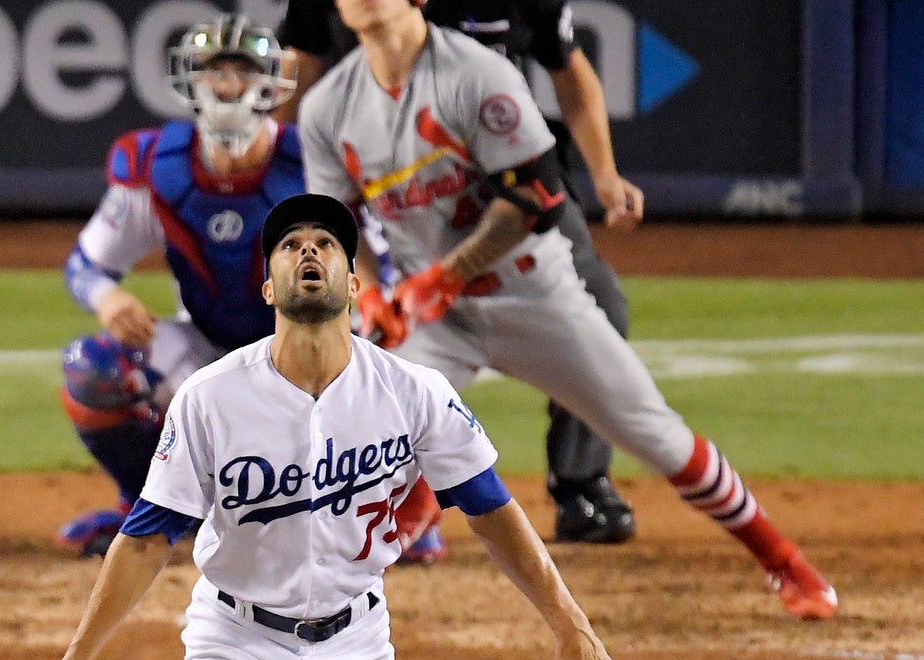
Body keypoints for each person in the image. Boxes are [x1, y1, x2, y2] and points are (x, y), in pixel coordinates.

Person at [296, 0, 838, 619]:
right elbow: (336, 223)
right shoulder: (327, 106)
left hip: (531, 291)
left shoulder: (477, 75)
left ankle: (782, 559)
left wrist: (444, 277)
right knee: (359, 435)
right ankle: (339, 588)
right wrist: (369, 293)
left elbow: (535, 193)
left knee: (656, 435)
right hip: (436, 317)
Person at [34, 192, 632, 660]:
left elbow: (492, 511)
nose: (308, 251)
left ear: (352, 284)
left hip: (359, 648)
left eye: (326, 243)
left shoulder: (414, 392)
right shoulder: (209, 397)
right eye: (290, 245)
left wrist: (569, 624)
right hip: (236, 645)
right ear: (269, 289)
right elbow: (146, 539)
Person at [276, 0, 642, 546]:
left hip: (514, 185)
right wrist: (274, 167)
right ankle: (363, 494)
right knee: (381, 337)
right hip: (396, 198)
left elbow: (569, 71)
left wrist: (605, 174)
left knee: (601, 302)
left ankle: (581, 483)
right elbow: (300, 67)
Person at [54, 14, 301, 557]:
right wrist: (107, 297)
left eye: (243, 72)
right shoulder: (154, 164)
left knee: (390, 362)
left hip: (308, 360)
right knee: (93, 369)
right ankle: (148, 511)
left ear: (272, 83)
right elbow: (86, 265)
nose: (228, 86)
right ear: (190, 79)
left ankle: (390, 510)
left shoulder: (316, 163)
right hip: (207, 344)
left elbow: (376, 277)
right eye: (215, 72)